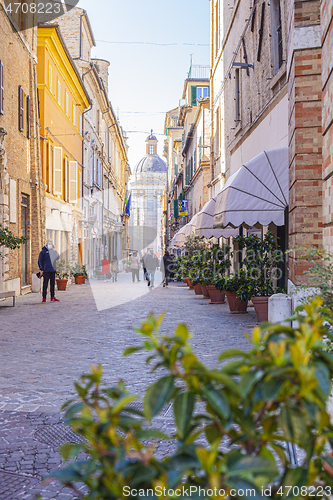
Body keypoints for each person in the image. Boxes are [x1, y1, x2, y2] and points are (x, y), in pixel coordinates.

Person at [38, 239, 60, 303]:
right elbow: (40, 261)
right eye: (49, 243)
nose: (50, 244)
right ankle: (44, 297)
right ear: (47, 244)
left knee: (52, 284)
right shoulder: (43, 252)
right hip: (46, 270)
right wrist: (41, 269)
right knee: (45, 284)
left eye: (51, 243)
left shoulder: (53, 251)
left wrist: (55, 250)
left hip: (52, 270)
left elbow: (58, 257)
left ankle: (52, 297)